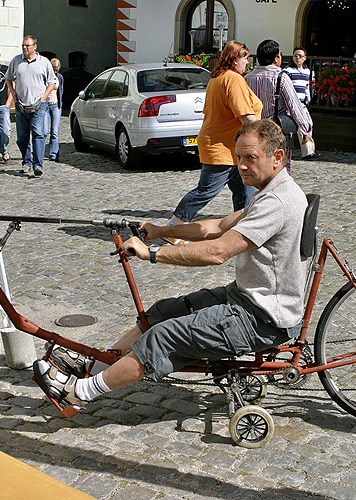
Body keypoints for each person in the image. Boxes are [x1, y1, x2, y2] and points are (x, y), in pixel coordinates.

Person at [32, 119, 310, 418]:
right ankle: (95, 367)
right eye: (238, 157)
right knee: (161, 312)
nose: (240, 165)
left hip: (263, 318)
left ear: (277, 157)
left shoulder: (277, 202)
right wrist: (160, 230)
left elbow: (218, 251)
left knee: (163, 336)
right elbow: (215, 226)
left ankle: (79, 393)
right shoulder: (268, 191)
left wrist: (153, 254)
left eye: (250, 158)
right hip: (247, 298)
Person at [165, 40, 262, 244]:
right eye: (245, 58)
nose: (248, 63)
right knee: (206, 191)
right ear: (234, 59)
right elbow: (245, 116)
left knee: (246, 190)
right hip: (222, 147)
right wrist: (266, 136)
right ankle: (172, 229)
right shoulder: (233, 79)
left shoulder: (217, 78)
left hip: (229, 146)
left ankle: (244, 231)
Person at [5, 35, 57, 177]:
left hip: (39, 104)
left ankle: (38, 165)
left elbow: (52, 82)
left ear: (35, 46)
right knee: (22, 137)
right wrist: (13, 94)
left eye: (27, 45)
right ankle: (26, 161)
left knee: (38, 135)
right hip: (21, 104)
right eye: (23, 45)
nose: (25, 48)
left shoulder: (44, 62)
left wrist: (43, 97)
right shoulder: (17, 60)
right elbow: (8, 78)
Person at [261, 43, 317, 163]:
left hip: (302, 103)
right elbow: (291, 102)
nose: (297, 58)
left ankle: (308, 152)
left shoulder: (308, 71)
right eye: (295, 56)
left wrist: (308, 97)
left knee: (308, 125)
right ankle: (307, 151)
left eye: (300, 56)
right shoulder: (286, 72)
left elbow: (308, 86)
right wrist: (305, 129)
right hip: (290, 106)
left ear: (305, 57)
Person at [43, 56, 63, 162]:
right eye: (53, 68)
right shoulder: (45, 76)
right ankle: (40, 151)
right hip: (46, 105)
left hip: (56, 105)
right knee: (45, 131)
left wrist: (60, 104)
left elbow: (61, 91)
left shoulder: (59, 77)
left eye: (57, 68)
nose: (55, 70)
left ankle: (54, 154)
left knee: (55, 132)